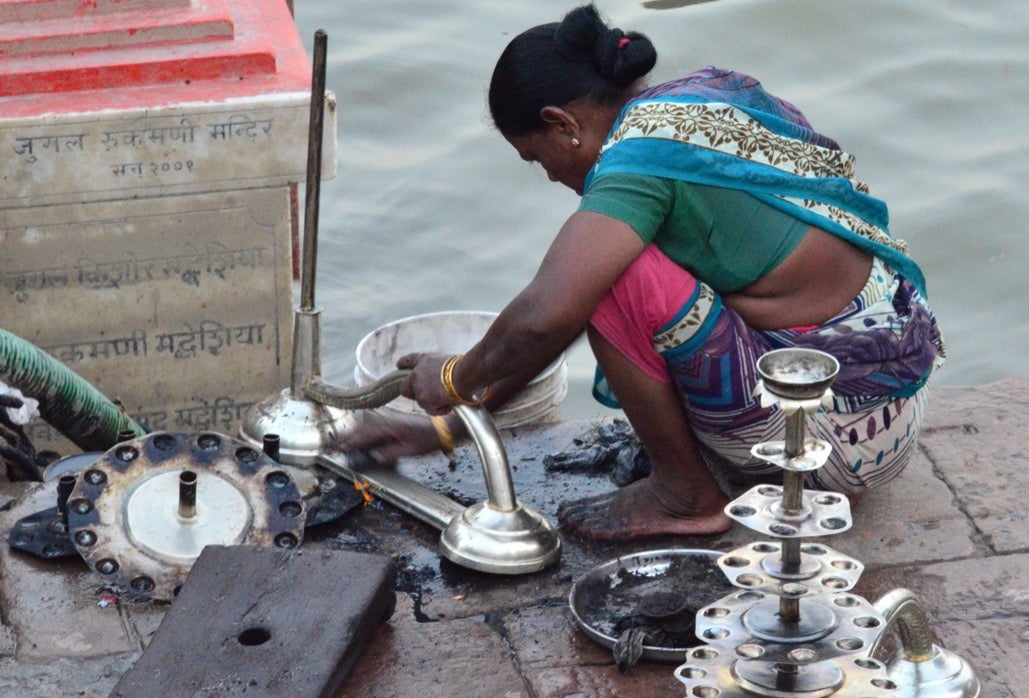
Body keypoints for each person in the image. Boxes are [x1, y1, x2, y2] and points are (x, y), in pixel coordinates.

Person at [337, 3, 945, 541]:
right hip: (888, 407)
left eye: (535, 158)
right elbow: (569, 319)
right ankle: (695, 476)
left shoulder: (635, 161)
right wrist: (447, 428)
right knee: (608, 278)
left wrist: (453, 378)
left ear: (562, 124)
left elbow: (550, 314)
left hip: (832, 435)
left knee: (614, 281)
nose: (548, 174)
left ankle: (685, 495)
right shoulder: (703, 98)